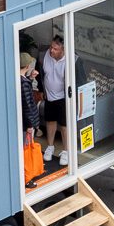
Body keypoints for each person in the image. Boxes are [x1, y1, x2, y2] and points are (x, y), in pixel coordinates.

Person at [39, 36, 68, 164]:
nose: (51, 51)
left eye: (55, 49)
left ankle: (66, 151)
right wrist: (41, 90)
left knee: (64, 125)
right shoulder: (43, 55)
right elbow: (40, 73)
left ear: (63, 50)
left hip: (63, 97)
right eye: (51, 47)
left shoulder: (71, 60)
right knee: (50, 121)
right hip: (49, 96)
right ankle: (50, 147)